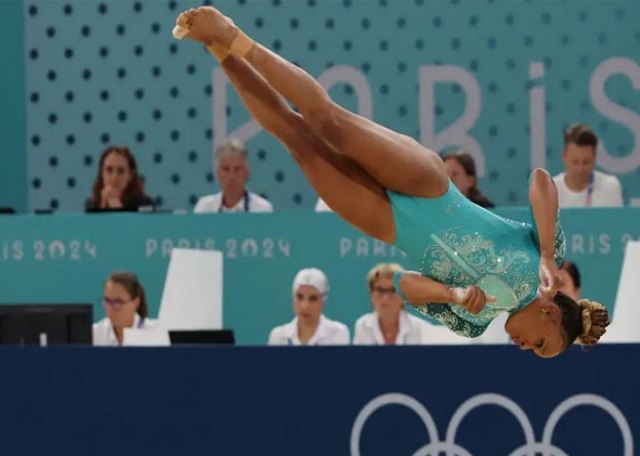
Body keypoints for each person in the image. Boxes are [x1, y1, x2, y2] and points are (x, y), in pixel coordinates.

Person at [176, 7, 608, 358]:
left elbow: (404, 285)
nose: (524, 346)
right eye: (538, 344)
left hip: (388, 223)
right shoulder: (544, 266)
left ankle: (218, 50)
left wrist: (454, 294)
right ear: (551, 315)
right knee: (328, 122)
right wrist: (548, 254)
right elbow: (540, 180)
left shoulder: (475, 323)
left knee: (296, 139)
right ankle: (234, 34)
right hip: (429, 188)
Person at [353, 263, 468, 345]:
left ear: (403, 295)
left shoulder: (421, 328)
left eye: (393, 290)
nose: (386, 297)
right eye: (380, 290)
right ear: (371, 293)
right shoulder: (362, 326)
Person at [268, 268, 349, 345]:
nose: (305, 306)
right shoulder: (279, 337)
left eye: (313, 299)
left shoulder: (337, 333)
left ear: (323, 301)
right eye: (299, 297)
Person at [194, 138, 274, 213]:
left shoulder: (262, 209)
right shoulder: (204, 208)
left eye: (237, 169)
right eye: (226, 169)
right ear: (217, 173)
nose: (232, 176)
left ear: (247, 172)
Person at [553, 124, 623, 208]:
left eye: (586, 162)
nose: (580, 169)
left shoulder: (610, 187)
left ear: (594, 157)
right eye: (575, 162)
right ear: (564, 156)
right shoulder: (549, 191)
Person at [93, 272, 158, 346]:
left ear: (136, 303)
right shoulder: (94, 334)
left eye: (118, 302)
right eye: (107, 301)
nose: (110, 308)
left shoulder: (155, 333)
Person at [86, 146, 154, 212]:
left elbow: (130, 223)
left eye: (120, 171)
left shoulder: (145, 204)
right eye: (109, 170)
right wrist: (103, 205)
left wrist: (115, 203)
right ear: (102, 173)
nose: (114, 177)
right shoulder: (92, 204)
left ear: (130, 175)